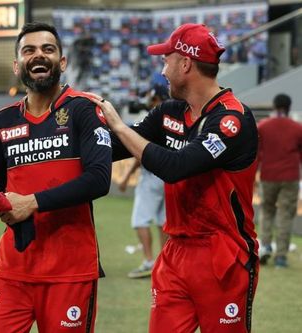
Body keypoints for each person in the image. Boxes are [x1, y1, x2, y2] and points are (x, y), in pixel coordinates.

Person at [91, 23, 259, 333]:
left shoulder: (232, 119)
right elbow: (115, 148)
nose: (163, 70)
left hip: (223, 255)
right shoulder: (169, 112)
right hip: (176, 253)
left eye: (166, 60)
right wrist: (66, 132)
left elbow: (176, 166)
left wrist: (119, 125)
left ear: (185, 63)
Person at [0, 22, 112, 332]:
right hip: (14, 267)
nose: (38, 56)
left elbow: (98, 179)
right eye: (29, 50)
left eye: (48, 49)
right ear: (17, 65)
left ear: (62, 62)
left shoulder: (83, 110)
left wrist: (32, 202)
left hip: (70, 270)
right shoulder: (2, 120)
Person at [118, 85, 169, 279]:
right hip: (169, 175)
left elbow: (142, 153)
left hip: (151, 176)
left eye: (152, 99)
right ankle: (166, 262)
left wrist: (126, 176)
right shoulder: (174, 118)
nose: (149, 102)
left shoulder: (155, 120)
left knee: (140, 220)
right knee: (163, 221)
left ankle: (149, 261)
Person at [257, 93, 302, 268]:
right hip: (290, 176)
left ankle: (266, 246)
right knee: (285, 215)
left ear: (274, 107)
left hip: (268, 175)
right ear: (289, 107)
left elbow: (257, 153)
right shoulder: (297, 128)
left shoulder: (263, 126)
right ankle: (281, 257)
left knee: (267, 211)